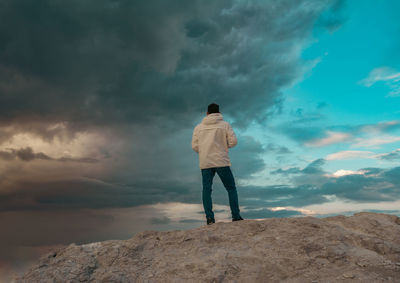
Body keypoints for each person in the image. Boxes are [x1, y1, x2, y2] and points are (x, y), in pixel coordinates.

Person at [192, 103, 244, 225]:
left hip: (205, 162)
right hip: (221, 160)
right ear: (219, 113)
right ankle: (236, 216)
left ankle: (210, 219)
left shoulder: (198, 128)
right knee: (231, 188)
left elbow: (194, 146)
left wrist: (205, 150)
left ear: (207, 113)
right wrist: (223, 146)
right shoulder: (225, 125)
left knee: (206, 189)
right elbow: (233, 142)